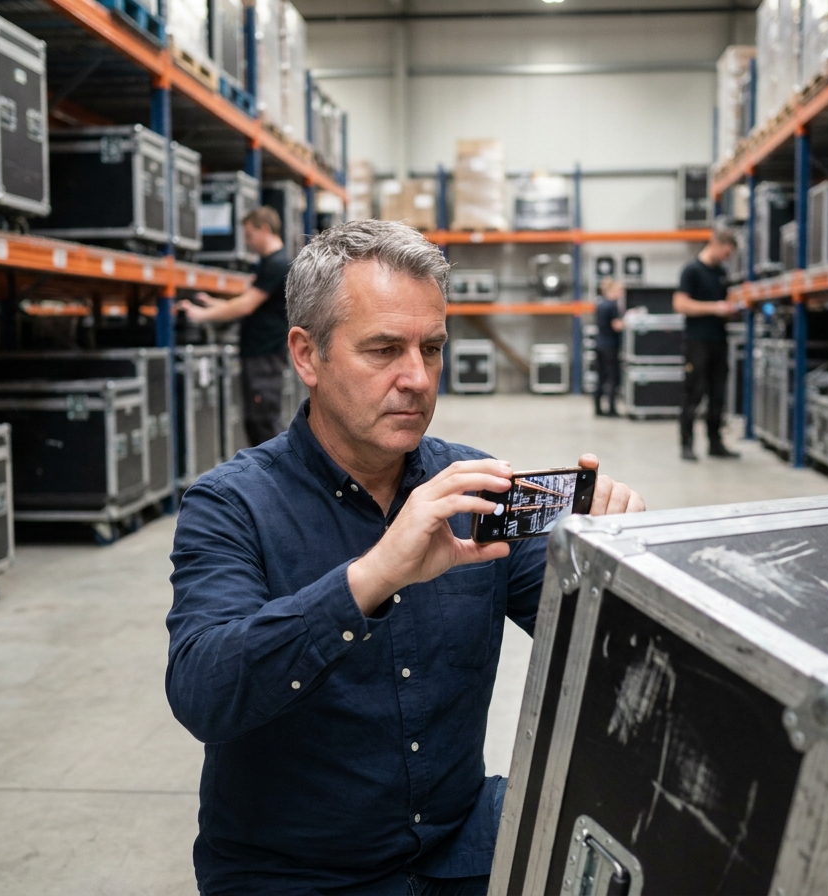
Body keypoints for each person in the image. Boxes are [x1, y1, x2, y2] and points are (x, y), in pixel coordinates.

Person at [166, 220, 645, 895]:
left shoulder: (475, 488)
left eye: (432, 348)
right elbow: (204, 694)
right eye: (385, 349)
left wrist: (622, 562)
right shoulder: (232, 505)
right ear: (307, 355)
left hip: (459, 847)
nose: (417, 378)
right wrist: (374, 575)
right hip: (297, 871)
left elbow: (602, 648)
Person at [181, 206, 291, 446]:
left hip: (265, 356)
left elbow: (246, 306)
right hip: (259, 355)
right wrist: (213, 304)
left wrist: (203, 315)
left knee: (265, 423)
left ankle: (283, 480)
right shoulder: (266, 264)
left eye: (250, 235)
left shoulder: (278, 263)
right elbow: (249, 302)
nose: (247, 242)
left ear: (264, 229)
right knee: (256, 422)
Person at [672, 228, 741, 462]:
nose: (727, 257)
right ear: (715, 244)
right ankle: (687, 445)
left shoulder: (721, 273)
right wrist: (715, 307)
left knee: (718, 394)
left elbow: (723, 306)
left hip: (718, 341)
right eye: (726, 251)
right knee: (693, 393)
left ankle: (715, 443)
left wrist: (731, 309)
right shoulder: (692, 270)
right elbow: (680, 304)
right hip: (697, 342)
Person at [593, 277, 625, 417]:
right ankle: (612, 408)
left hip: (600, 344)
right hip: (610, 346)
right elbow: (616, 326)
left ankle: (598, 407)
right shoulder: (612, 306)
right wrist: (627, 322)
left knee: (601, 377)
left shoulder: (600, 304)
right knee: (613, 377)